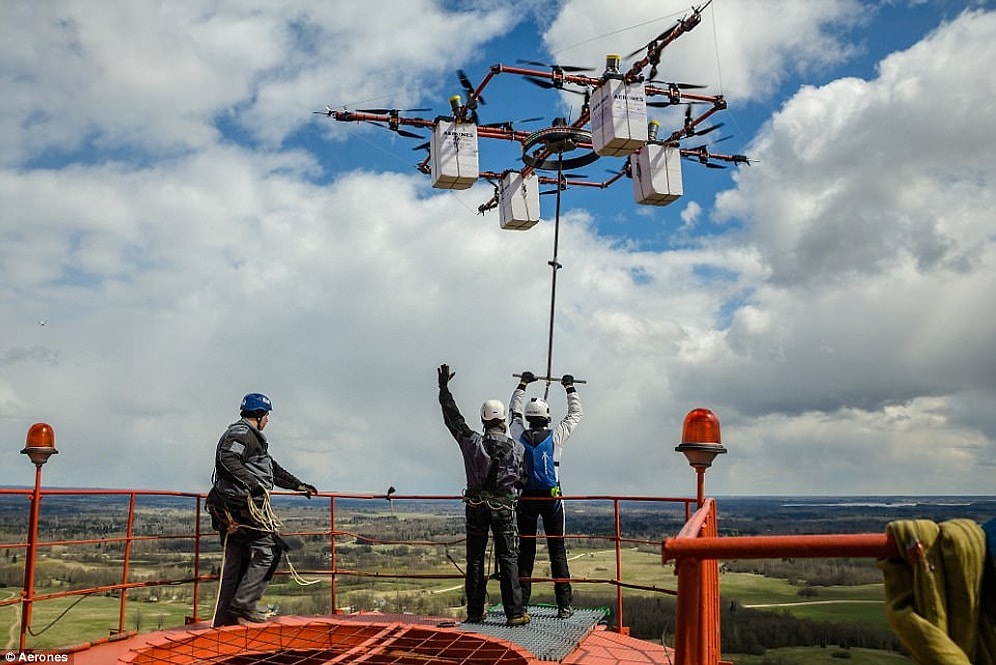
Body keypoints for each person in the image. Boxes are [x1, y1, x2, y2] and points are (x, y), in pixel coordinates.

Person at [206, 392, 318, 626]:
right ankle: (244, 605)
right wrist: (253, 485)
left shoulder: (253, 438)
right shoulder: (242, 434)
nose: (268, 420)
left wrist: (298, 485)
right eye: (266, 415)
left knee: (237, 563)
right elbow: (227, 458)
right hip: (239, 505)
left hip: (232, 505)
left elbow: (272, 470)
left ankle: (224, 622)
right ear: (258, 415)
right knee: (270, 550)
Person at [437, 364, 531, 627]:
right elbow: (522, 479)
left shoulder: (472, 442)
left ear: (484, 419)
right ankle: (515, 613)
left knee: (476, 558)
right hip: (503, 508)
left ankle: (476, 612)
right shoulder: (518, 450)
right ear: (502, 420)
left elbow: (453, 419)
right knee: (509, 558)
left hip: (476, 507)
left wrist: (444, 389)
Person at [509, 371, 583, 619]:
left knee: (526, 551)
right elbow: (575, 415)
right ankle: (564, 605)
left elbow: (513, 414)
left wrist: (522, 385)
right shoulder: (556, 436)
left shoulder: (518, 435)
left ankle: (523, 603)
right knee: (557, 550)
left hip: (526, 499)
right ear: (546, 416)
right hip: (553, 499)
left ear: (530, 418)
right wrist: (569, 388)